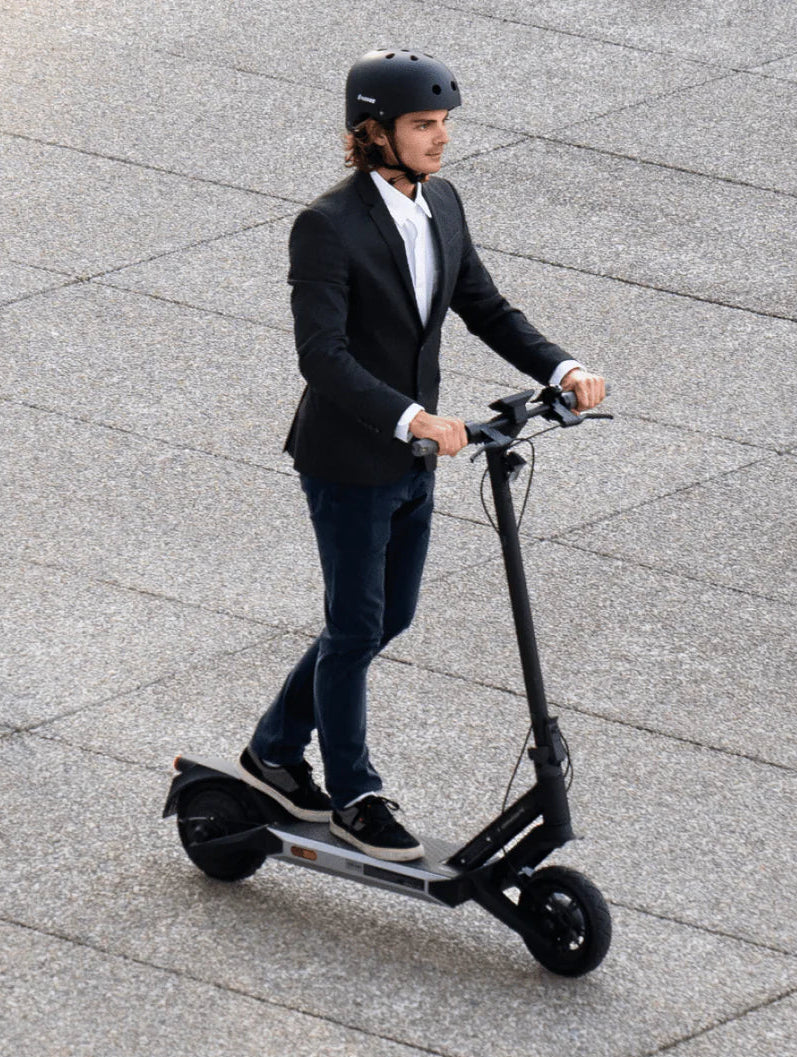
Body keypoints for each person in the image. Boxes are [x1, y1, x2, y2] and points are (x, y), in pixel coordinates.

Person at [238, 49, 605, 863]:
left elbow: (483, 305)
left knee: (385, 617)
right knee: (356, 623)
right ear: (373, 133)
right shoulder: (326, 226)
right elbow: (322, 357)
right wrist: (411, 417)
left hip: (415, 458)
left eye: (443, 125)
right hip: (346, 458)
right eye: (422, 126)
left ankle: (271, 749)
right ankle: (353, 795)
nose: (440, 140)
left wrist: (560, 367)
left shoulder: (441, 204)